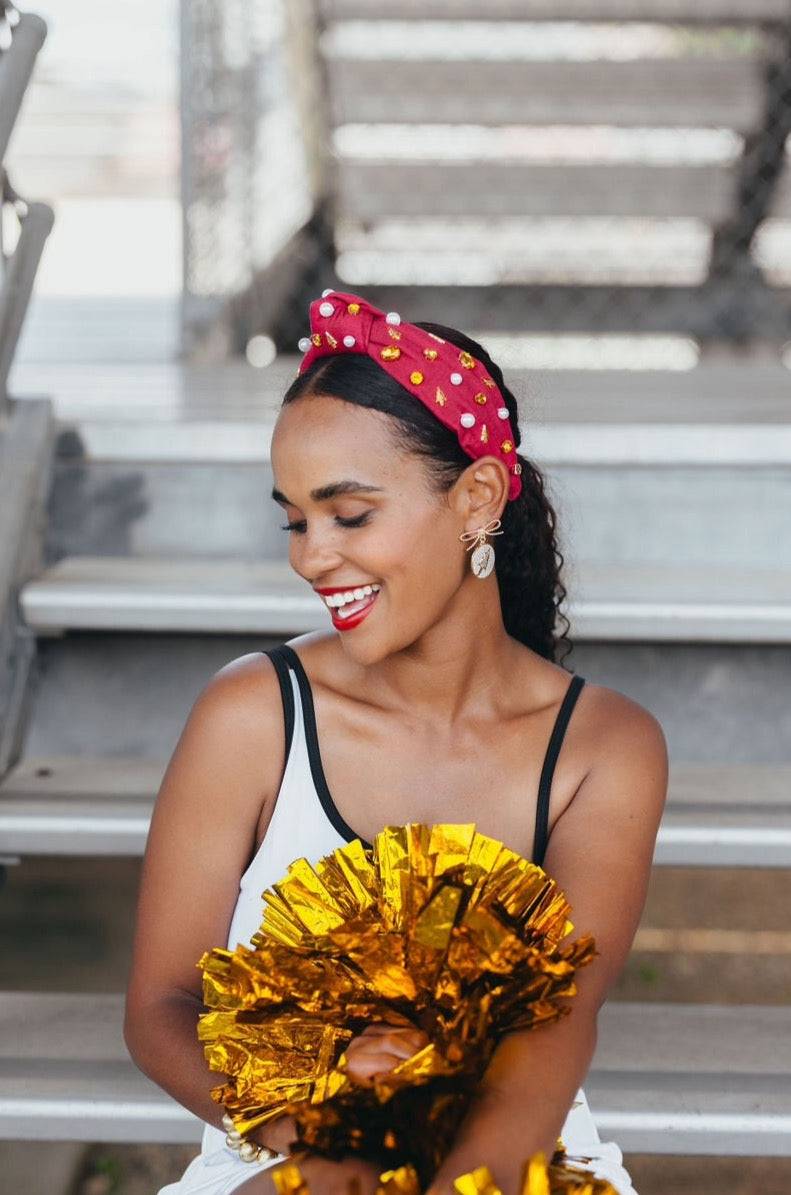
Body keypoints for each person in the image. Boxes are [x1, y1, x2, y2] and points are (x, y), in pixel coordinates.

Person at [124, 291, 668, 1195]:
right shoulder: (252, 714)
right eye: (295, 520)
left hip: (514, 1154)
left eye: (349, 514)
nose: (309, 556)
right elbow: (160, 1009)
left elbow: (553, 1031)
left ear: (477, 498)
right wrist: (333, 1126)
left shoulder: (602, 749)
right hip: (286, 1156)